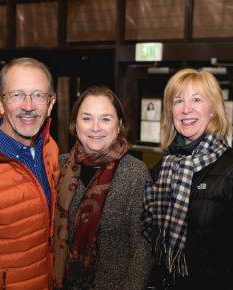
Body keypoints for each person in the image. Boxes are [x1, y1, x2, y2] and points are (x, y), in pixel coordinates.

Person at [142, 68, 233, 290]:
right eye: (178, 101)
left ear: (213, 109)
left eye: (197, 99)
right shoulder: (163, 168)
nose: (186, 109)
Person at [0, 57, 58, 289]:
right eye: (16, 95)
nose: (28, 105)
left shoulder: (50, 147)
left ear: (51, 103)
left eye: (38, 95)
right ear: (0, 101)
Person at [53, 86, 152, 290]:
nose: (95, 127)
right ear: (75, 124)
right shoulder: (57, 166)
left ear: (119, 125)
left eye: (106, 119)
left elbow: (142, 249)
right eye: (87, 118)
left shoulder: (135, 173)